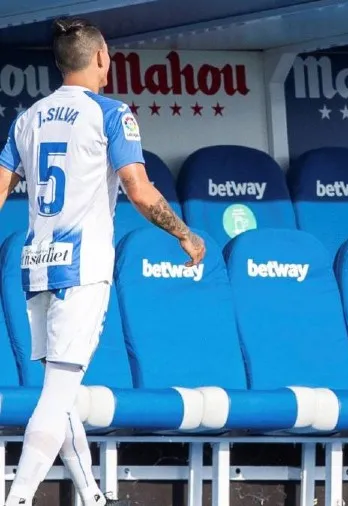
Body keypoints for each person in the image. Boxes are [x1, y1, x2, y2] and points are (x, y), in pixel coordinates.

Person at [0, 17, 205, 506]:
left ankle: (92, 495)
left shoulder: (28, 118)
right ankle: (17, 498)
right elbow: (139, 188)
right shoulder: (111, 113)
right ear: (99, 58)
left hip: (38, 265)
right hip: (82, 267)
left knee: (61, 389)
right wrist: (184, 232)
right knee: (57, 395)